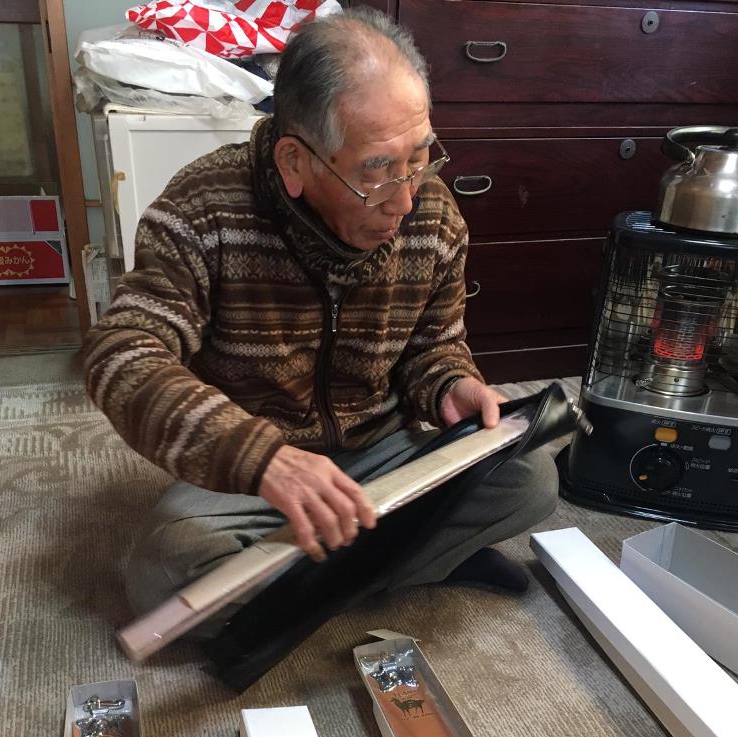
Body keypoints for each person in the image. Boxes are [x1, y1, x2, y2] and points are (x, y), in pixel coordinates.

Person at [84, 7, 558, 656]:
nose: (405, 200)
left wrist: (451, 384)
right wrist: (261, 458)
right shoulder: (202, 209)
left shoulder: (432, 213)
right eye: (376, 169)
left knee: (531, 478)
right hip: (260, 466)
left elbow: (434, 345)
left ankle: (307, 589)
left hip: (382, 451)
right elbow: (122, 353)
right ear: (295, 161)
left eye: (420, 156)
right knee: (165, 571)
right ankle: (415, 560)